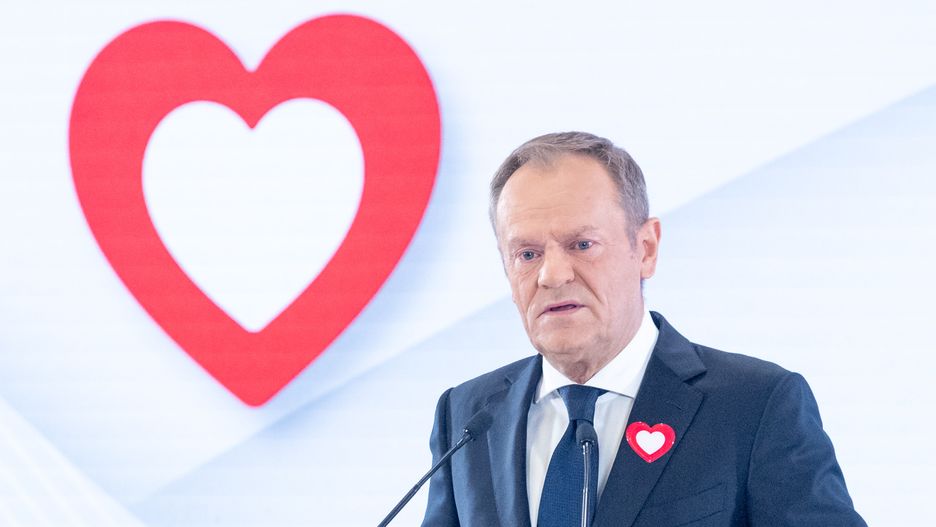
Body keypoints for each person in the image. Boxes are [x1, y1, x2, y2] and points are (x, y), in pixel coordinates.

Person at [421, 132, 866, 526]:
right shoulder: (466, 416)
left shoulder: (756, 405)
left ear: (646, 249)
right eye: (527, 254)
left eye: (582, 244)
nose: (552, 275)